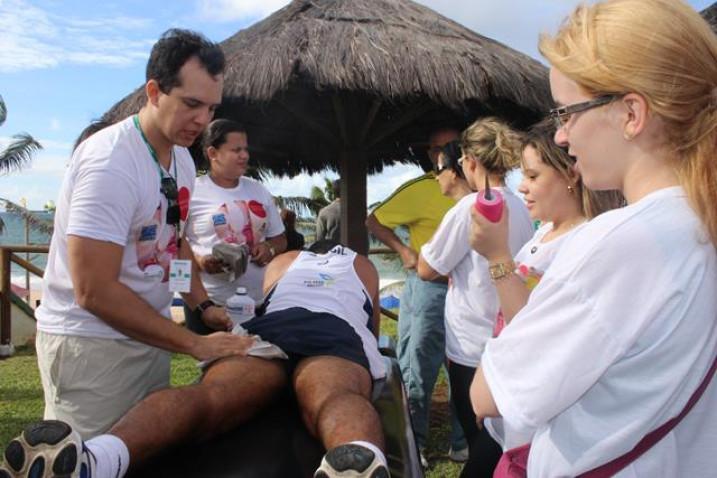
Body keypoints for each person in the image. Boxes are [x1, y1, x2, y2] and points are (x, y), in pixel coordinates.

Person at [470, 1, 717, 476]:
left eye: (567, 112)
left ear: (631, 113)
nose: (561, 136)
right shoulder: (697, 219)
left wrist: (498, 259)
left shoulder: (626, 241)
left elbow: (488, 393)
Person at [1, 241, 390, 478]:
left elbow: (268, 297)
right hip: (333, 329)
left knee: (212, 395)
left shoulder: (285, 261)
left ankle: (96, 461)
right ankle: (356, 461)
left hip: (271, 328)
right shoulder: (361, 264)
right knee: (334, 396)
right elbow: (370, 325)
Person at [30, 29, 253, 440]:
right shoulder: (110, 162)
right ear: (154, 91)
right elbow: (93, 290)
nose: (203, 120)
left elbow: (175, 243)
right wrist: (195, 344)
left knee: (138, 455)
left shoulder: (182, 161)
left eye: (211, 107)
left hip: (146, 334)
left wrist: (202, 307)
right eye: (191, 104)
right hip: (92, 344)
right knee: (87, 462)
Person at [469, 119, 622, 451]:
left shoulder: (583, 244)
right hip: (508, 417)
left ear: (571, 175)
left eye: (532, 176)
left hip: (535, 433)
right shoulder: (545, 231)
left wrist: (497, 256)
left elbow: (532, 331)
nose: (521, 187)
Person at [417, 117, 534, 477]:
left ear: (469, 161)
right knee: (500, 437)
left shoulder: (468, 209)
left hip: (470, 346)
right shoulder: (520, 205)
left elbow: (426, 267)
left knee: (480, 436)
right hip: (505, 335)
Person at [366, 127, 468, 464]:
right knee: (417, 367)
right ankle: (417, 444)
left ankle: (461, 440)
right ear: (429, 153)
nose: (443, 154)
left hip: (469, 290)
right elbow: (375, 220)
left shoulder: (478, 188)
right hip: (430, 289)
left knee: (466, 365)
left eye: (452, 147)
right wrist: (404, 252)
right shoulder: (422, 188)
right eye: (437, 148)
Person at [184, 119, 286, 334]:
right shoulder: (193, 191)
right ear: (213, 153)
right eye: (236, 150)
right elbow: (173, 245)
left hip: (260, 303)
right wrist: (201, 261)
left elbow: (280, 238)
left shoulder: (258, 190)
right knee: (218, 366)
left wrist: (269, 248)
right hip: (211, 304)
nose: (244, 156)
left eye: (245, 149)